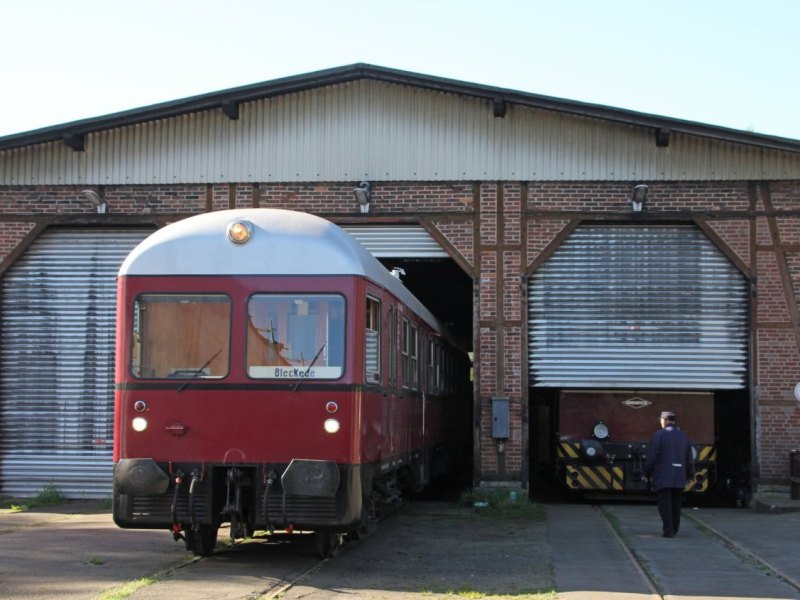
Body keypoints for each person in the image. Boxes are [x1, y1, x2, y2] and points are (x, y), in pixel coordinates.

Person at [644, 411, 695, 538]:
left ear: (663, 421)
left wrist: (647, 471)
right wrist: (690, 474)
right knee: (676, 503)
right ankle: (675, 528)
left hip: (663, 475)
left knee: (664, 504)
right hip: (679, 475)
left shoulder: (659, 435)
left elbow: (652, 456)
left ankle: (668, 530)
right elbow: (689, 457)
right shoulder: (684, 436)